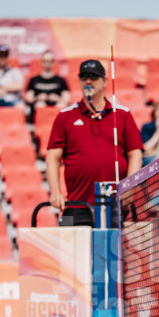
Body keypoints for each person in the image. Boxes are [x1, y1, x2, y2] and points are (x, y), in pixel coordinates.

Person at [46, 59, 143, 224]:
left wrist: (129, 187)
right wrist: (55, 192)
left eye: (93, 76)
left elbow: (135, 154)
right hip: (75, 204)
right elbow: (52, 157)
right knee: (69, 248)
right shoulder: (65, 116)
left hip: (113, 204)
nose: (88, 81)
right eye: (84, 77)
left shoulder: (122, 114)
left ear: (105, 81)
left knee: (110, 249)